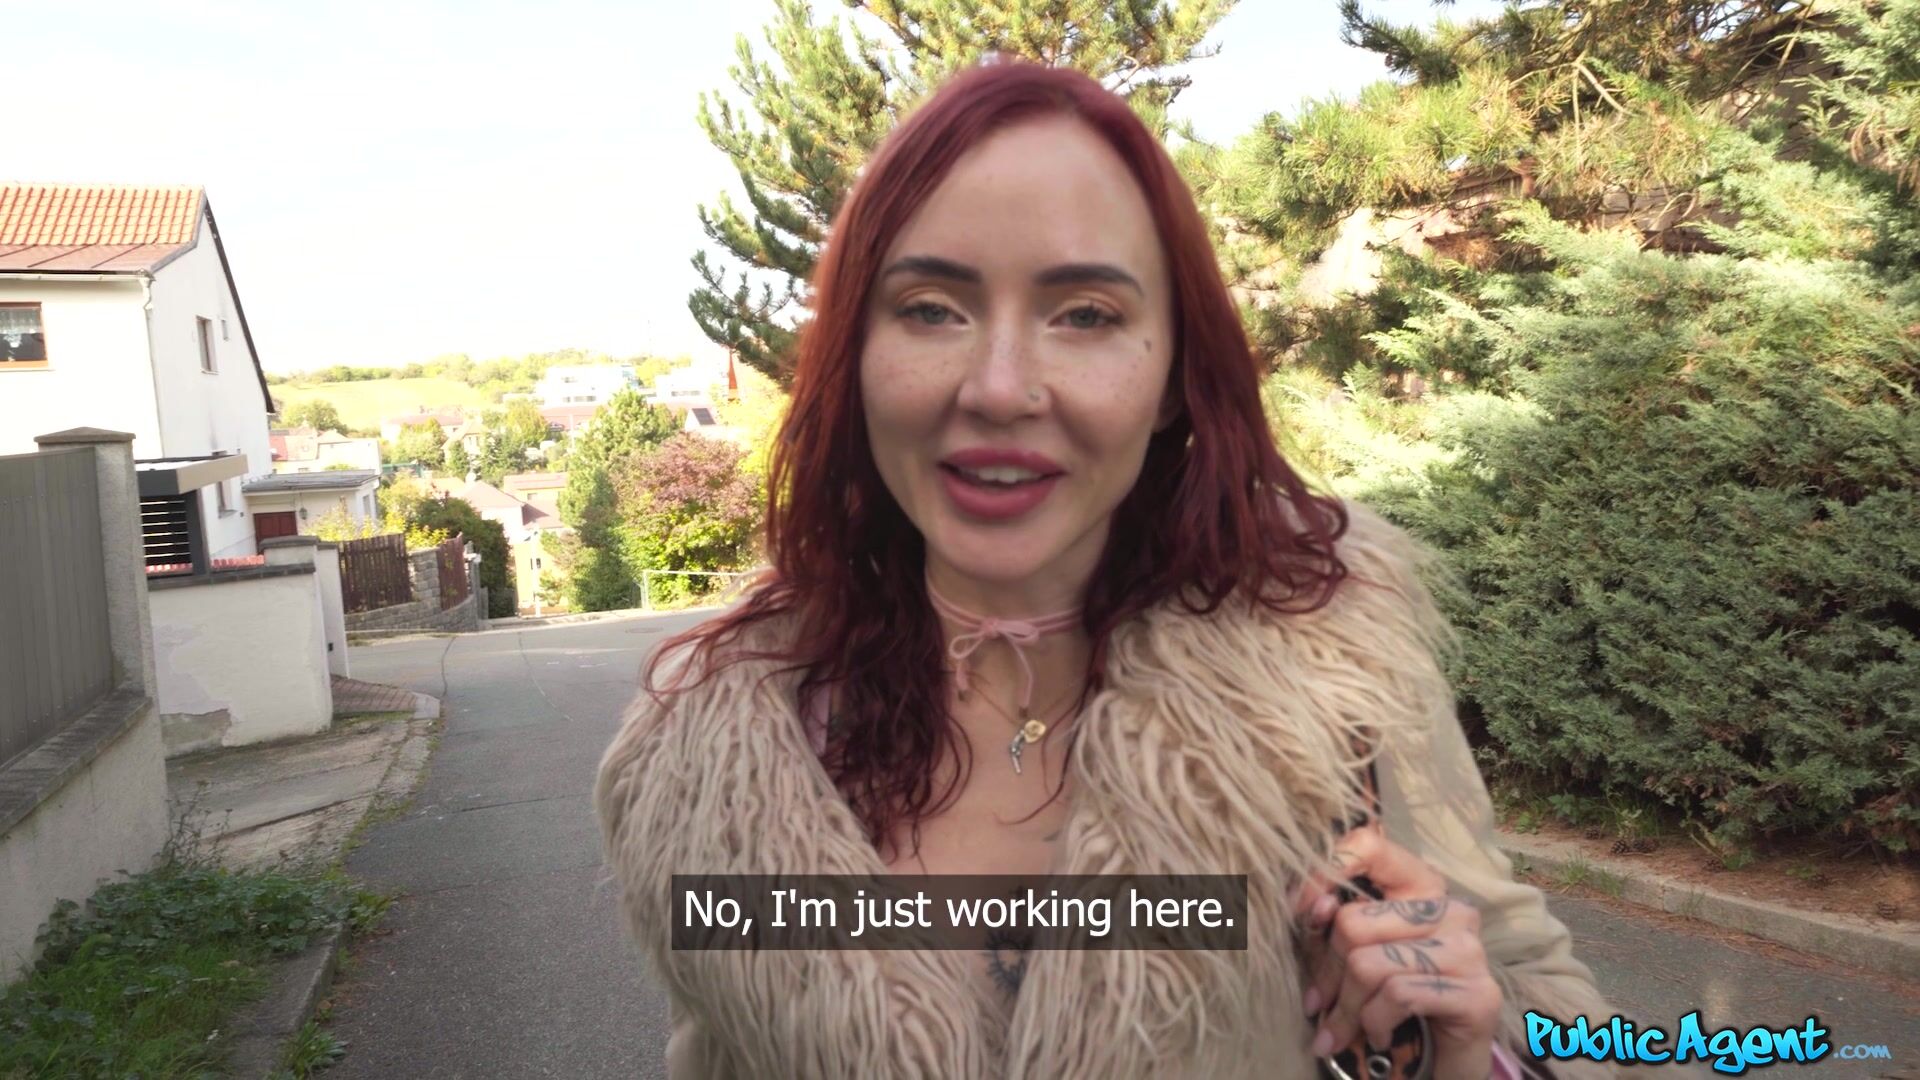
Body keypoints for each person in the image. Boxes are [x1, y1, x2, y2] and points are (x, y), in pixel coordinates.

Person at [598, 59, 1640, 1079]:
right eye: (931, 308)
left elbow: (1541, 997)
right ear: (856, 356)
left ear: (1176, 375)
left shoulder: (1332, 669)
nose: (999, 388)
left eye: (1087, 314)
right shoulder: (718, 757)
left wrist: (1467, 1054)